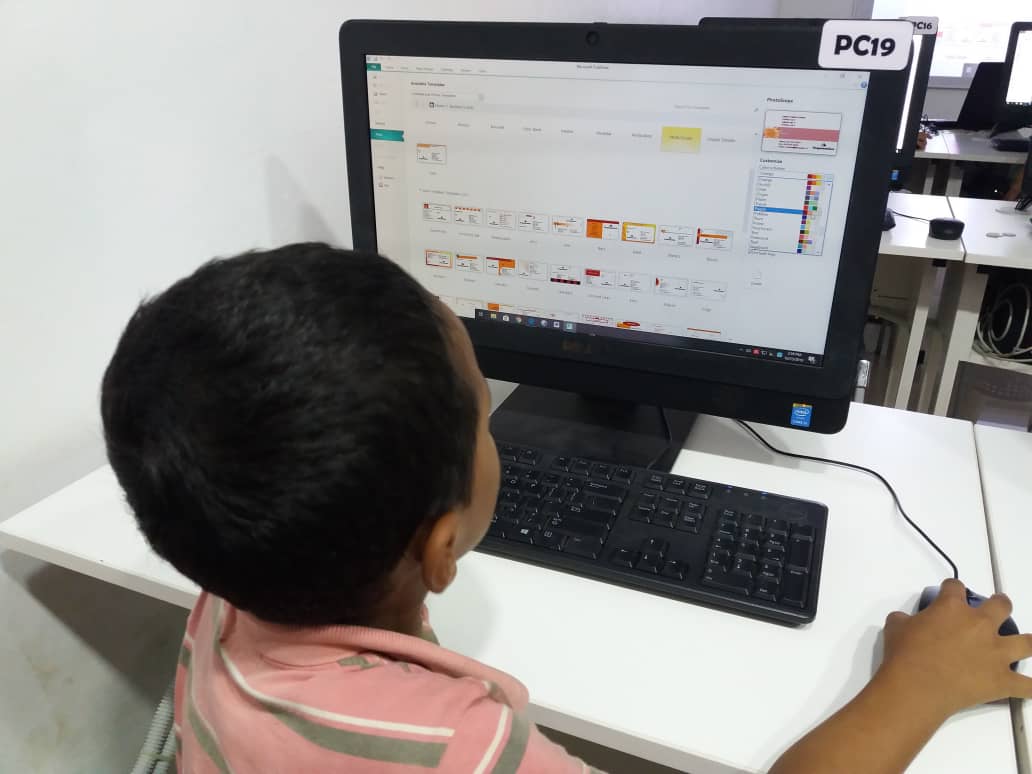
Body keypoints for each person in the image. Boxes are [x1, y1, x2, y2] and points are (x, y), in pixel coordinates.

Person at [101, 243, 1032, 774]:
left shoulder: (228, 595)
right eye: (486, 414)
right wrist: (919, 684)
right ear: (441, 546)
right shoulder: (464, 747)